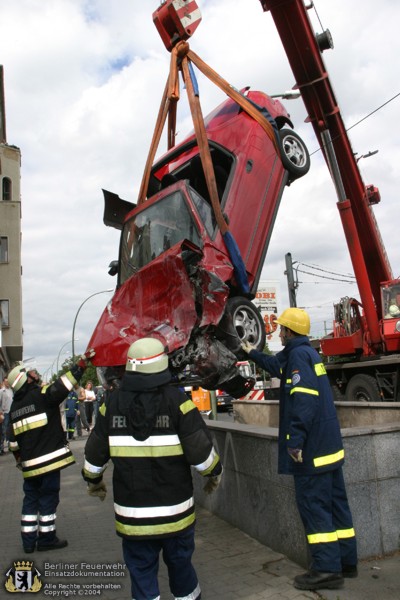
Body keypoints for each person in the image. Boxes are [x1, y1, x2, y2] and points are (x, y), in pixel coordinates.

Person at [82, 337, 222, 600]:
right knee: (181, 569)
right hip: (176, 513)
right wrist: (213, 473)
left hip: (133, 516)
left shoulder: (110, 404)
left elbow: (94, 454)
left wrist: (93, 480)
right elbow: (202, 452)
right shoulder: (178, 401)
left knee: (142, 575)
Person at [241, 308, 357, 592]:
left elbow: (304, 402)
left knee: (315, 509)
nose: (279, 333)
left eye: (282, 329)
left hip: (312, 453)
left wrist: (295, 442)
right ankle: (346, 562)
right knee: (336, 507)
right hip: (328, 450)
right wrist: (252, 352)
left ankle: (327, 571)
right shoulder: (305, 353)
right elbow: (275, 365)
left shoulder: (298, 357)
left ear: (290, 331)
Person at [7, 350, 95, 553]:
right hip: (49, 463)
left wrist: (21, 461)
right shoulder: (41, 395)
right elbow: (64, 384)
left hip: (29, 467)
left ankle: (28, 543)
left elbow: (13, 445)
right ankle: (46, 538)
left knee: (30, 501)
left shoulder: (14, 409)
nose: (34, 374)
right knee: (48, 499)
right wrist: (81, 365)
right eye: (30, 373)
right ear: (26, 380)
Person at [0, 377, 13, 454]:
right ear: (4, 382)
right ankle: (1, 448)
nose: (8, 383)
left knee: (10, 431)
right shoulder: (2, 391)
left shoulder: (11, 391)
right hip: (5, 413)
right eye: (6, 382)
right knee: (3, 431)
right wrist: (1, 412)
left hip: (10, 412)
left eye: (8, 381)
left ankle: (10, 446)